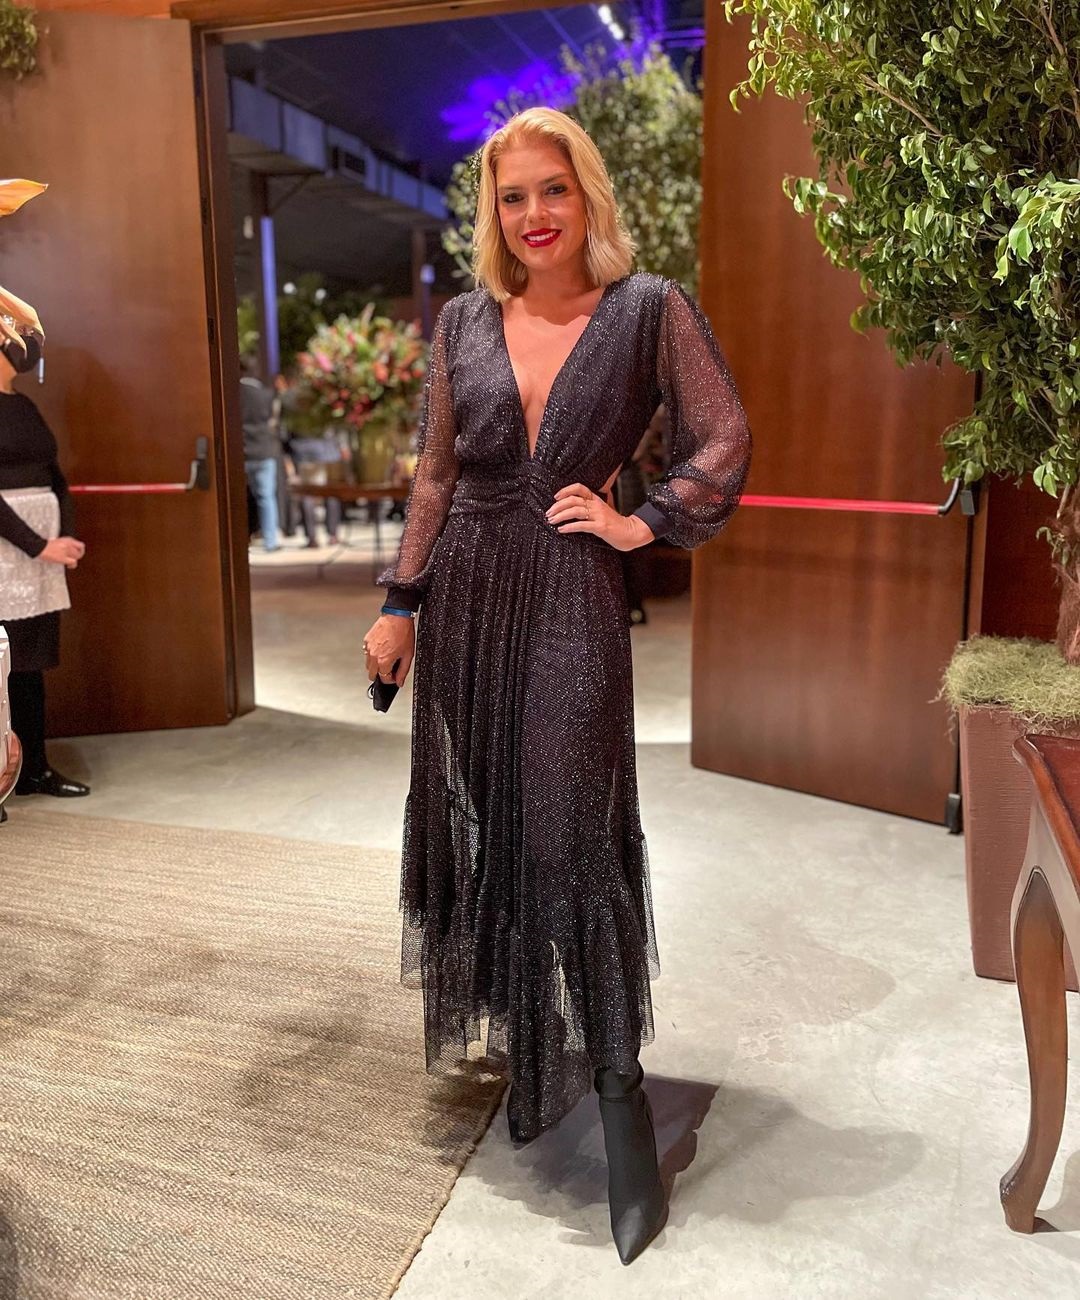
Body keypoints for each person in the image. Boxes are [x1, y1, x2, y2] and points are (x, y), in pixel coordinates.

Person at [362, 107, 751, 1264]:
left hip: (573, 592)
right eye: (513, 195)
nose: (534, 214)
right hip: (470, 598)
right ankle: (534, 1054)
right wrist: (399, 602)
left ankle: (621, 1099)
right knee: (497, 828)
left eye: (553, 189)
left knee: (572, 832)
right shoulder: (464, 322)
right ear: (495, 211)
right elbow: (437, 473)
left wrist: (643, 521)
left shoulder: (647, 310)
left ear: (588, 196)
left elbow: (722, 436)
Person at [0, 326, 90, 801]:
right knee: (1, 665)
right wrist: (38, 545)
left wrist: (65, 536)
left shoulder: (23, 404)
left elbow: (55, 476)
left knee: (29, 665)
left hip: (41, 556)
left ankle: (34, 768)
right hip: (10, 550)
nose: (20, 349)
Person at [239, 358, 280, 553]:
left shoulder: (233, 394)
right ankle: (270, 540)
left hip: (242, 450)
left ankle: (242, 538)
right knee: (267, 497)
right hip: (264, 450)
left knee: (240, 497)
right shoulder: (266, 395)